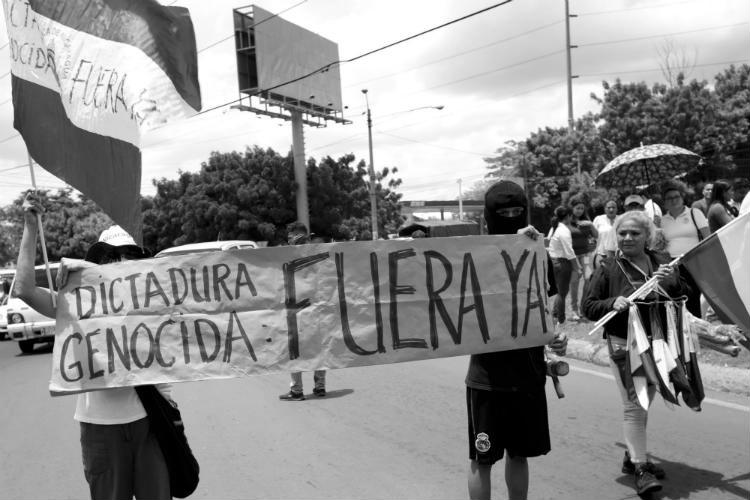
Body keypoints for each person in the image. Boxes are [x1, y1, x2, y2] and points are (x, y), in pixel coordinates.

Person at [15, 195, 171, 500]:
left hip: (151, 421)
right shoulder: (77, 302)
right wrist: (31, 227)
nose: (118, 261)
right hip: (100, 429)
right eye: (109, 256)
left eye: (126, 254)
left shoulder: (153, 297)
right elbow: (23, 289)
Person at [466, 180, 567, 500]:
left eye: (517, 212)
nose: (511, 218)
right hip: (486, 378)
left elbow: (543, 309)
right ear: (489, 216)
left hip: (528, 374)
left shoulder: (537, 252)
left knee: (520, 454)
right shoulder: (472, 256)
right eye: (503, 213)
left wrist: (554, 338)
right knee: (482, 460)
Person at [582, 210, 690, 497]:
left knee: (645, 400)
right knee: (634, 404)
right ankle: (641, 467)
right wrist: (611, 303)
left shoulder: (661, 263)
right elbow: (588, 307)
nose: (627, 238)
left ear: (648, 236)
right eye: (622, 233)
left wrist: (669, 281)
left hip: (658, 344)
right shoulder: (608, 267)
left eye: (634, 233)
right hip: (624, 345)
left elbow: (681, 296)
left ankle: (632, 456)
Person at [279, 221, 327, 401]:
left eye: (291, 236)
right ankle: (320, 386)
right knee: (318, 346)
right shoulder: (318, 249)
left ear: (298, 234)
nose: (290, 240)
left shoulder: (292, 252)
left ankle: (297, 390)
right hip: (316, 307)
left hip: (298, 308)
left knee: (294, 348)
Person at [660, 180, 708, 317]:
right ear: (664, 202)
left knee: (693, 298)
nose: (673, 200)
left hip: (692, 262)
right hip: (672, 265)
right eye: (669, 198)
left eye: (676, 197)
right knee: (676, 300)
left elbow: (707, 238)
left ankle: (697, 330)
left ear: (682, 198)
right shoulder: (661, 221)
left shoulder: (694, 213)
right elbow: (659, 245)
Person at [547, 206, 582, 326]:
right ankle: (560, 319)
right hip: (561, 262)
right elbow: (569, 251)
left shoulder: (556, 228)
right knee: (562, 292)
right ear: (568, 217)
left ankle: (556, 315)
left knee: (560, 291)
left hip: (556, 260)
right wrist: (577, 267)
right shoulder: (564, 230)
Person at [568, 196, 598, 321]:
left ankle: (583, 308)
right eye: (577, 208)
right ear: (572, 208)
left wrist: (590, 225)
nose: (579, 210)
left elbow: (596, 235)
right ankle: (573, 310)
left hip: (585, 256)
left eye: (581, 208)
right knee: (574, 282)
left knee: (588, 280)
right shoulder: (566, 221)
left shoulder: (586, 221)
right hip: (573, 256)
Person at [592, 199, 618, 268]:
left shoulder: (621, 219)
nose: (611, 210)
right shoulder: (598, 219)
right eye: (609, 207)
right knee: (600, 275)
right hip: (601, 253)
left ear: (617, 209)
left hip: (617, 255)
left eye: (613, 207)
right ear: (605, 209)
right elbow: (592, 235)